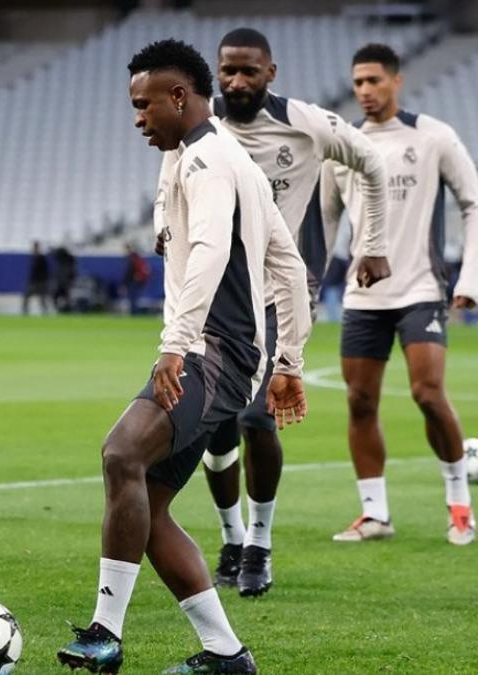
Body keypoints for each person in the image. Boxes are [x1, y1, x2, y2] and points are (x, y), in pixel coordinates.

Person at [55, 39, 310, 674]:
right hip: (227, 355)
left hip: (212, 352)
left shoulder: (210, 161)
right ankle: (227, 654)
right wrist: (288, 365)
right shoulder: (206, 160)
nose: (137, 117)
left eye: (143, 105)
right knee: (148, 505)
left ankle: (105, 635)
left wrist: (175, 345)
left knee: (121, 453)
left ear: (178, 97)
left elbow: (210, 253)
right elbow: (290, 265)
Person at [196, 27, 390, 597]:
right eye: (227, 69)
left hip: (283, 293)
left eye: (248, 71)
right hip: (216, 295)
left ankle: (259, 543)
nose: (236, 81)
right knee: (216, 428)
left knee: (258, 419)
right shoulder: (201, 125)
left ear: (270, 73)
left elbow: (372, 164)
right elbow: (170, 183)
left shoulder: (304, 124)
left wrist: (371, 242)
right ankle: (230, 539)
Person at [321, 43, 477, 546]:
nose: (364, 91)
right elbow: (324, 221)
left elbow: (473, 202)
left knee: (427, 394)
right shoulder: (342, 145)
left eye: (373, 81)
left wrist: (470, 279)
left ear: (396, 80)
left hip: (421, 288)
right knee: (359, 400)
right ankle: (375, 515)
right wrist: (305, 288)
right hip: (364, 297)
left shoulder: (432, 136)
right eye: (358, 83)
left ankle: (459, 505)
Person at [23, 241, 50, 315]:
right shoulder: (34, 258)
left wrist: (44, 281)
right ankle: (25, 312)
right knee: (27, 296)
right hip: (34, 282)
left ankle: (45, 313)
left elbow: (45, 271)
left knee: (42, 299)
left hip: (40, 282)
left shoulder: (41, 258)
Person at [122, 243, 150, 315]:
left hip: (134, 281)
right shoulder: (136, 258)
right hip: (137, 281)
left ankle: (134, 313)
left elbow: (129, 273)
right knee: (134, 298)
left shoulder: (133, 258)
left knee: (133, 298)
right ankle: (134, 312)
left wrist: (125, 283)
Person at [52, 244, 76, 312]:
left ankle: (67, 309)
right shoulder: (63, 261)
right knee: (57, 296)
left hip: (66, 283)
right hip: (62, 283)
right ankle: (62, 309)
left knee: (66, 297)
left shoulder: (69, 260)